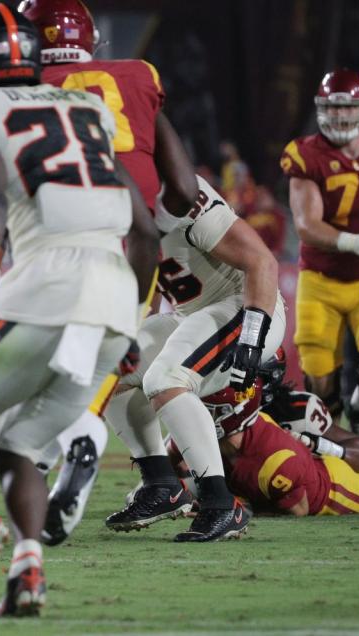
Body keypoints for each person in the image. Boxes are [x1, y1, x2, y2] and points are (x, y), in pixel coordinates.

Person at [0, 5, 158, 617]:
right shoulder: (87, 111)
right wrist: (130, 320)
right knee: (20, 446)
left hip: (44, 281)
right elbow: (148, 234)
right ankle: (28, 570)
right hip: (112, 293)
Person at [17, 0, 201, 545]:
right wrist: (152, 224)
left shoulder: (22, 90)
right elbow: (186, 191)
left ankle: (65, 451)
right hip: (136, 252)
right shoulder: (137, 76)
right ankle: (92, 459)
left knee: (63, 377)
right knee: (96, 369)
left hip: (64, 246)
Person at [101, 175, 285, 541]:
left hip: (244, 305)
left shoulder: (181, 193)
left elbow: (261, 263)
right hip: (192, 314)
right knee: (109, 367)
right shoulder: (113, 201)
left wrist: (251, 337)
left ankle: (220, 504)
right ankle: (161, 484)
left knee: (165, 379)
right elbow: (146, 293)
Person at [281, 69, 359, 448]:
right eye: (333, 110)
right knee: (319, 378)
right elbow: (305, 224)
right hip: (321, 280)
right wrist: (351, 242)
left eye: (349, 108)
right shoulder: (306, 154)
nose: (340, 117)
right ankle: (334, 447)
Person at [189, 381, 359, 517]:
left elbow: (298, 508)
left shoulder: (297, 415)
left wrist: (320, 445)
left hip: (329, 485)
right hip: (303, 474)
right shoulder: (249, 420)